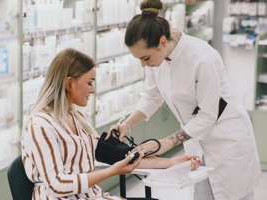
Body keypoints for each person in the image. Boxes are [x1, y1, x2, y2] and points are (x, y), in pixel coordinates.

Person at [107, 0, 262, 200]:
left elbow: (208, 115)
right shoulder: (157, 60)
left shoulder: (203, 58)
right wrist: (126, 125)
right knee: (203, 195)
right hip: (196, 141)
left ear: (163, 42)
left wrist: (164, 143)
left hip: (226, 140)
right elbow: (152, 96)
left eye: (145, 58)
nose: (143, 65)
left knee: (233, 194)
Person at [21, 48, 200, 200]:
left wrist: (171, 163)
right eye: (89, 83)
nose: (93, 89)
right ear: (69, 83)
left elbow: (117, 156)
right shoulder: (40, 125)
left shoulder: (75, 117)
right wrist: (112, 172)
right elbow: (56, 185)